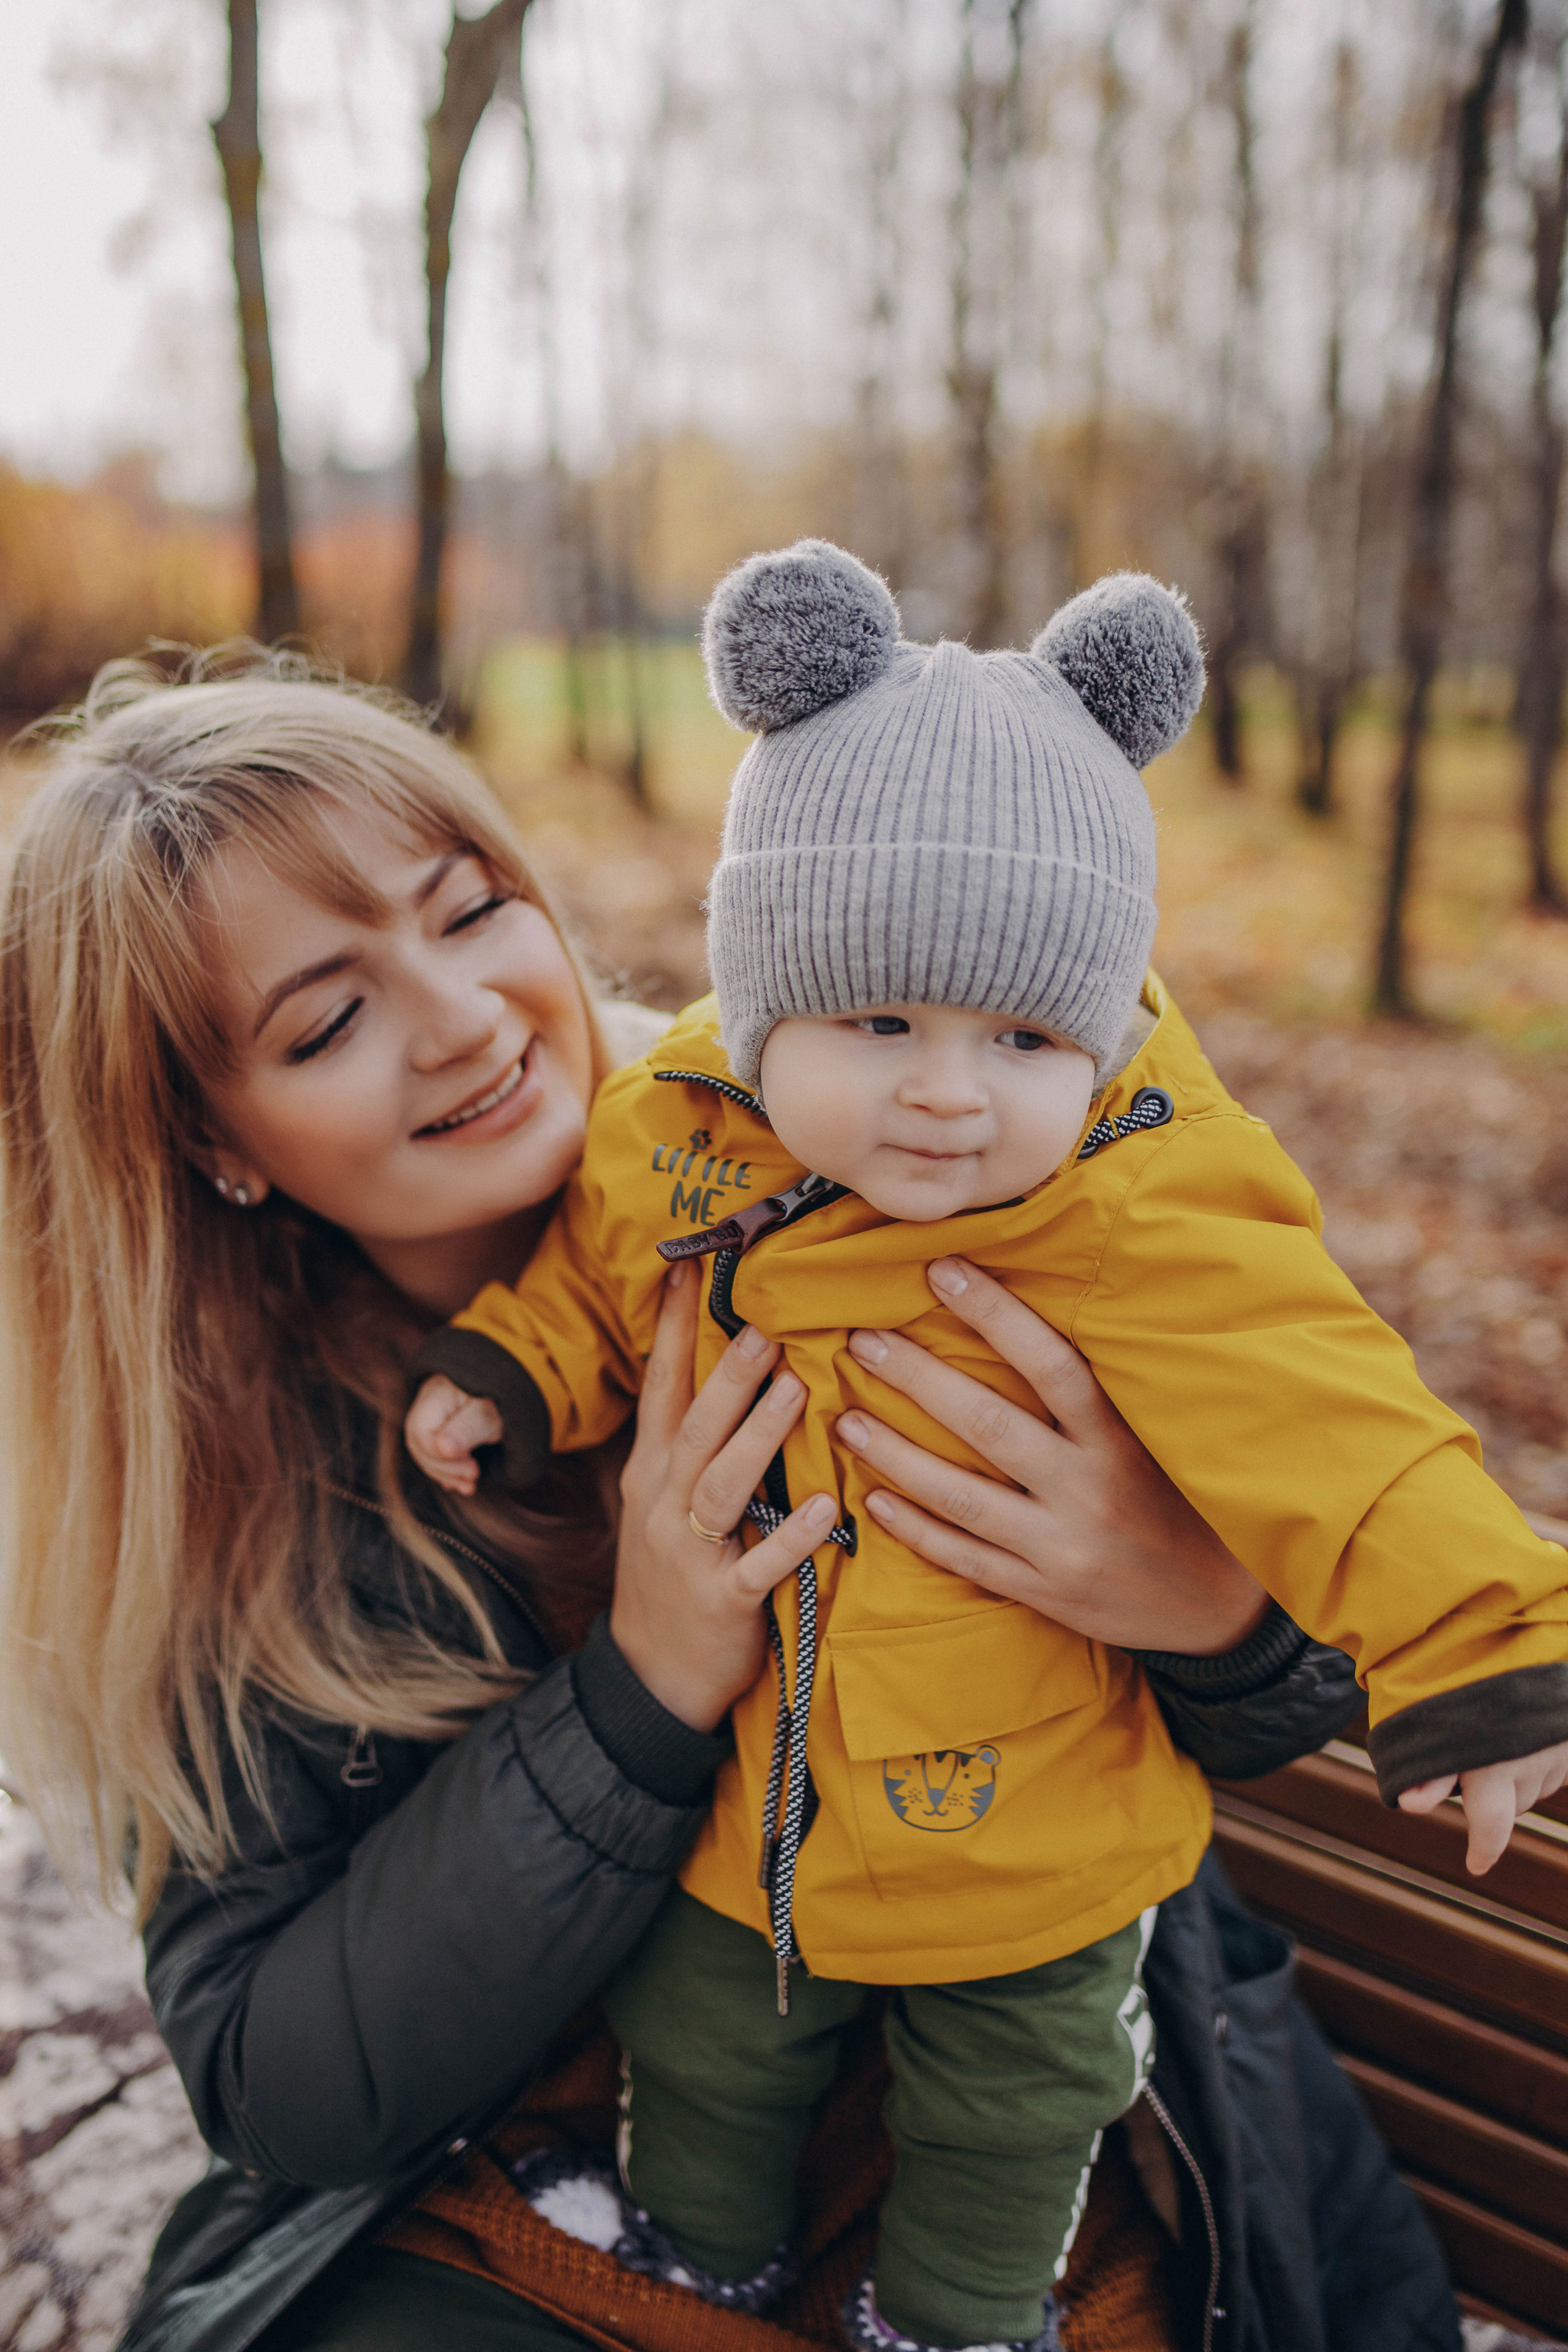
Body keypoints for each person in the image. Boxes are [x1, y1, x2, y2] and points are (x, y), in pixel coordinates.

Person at [0, 648, 1454, 2352]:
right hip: (531, 2179)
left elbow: (1329, 1553)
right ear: (206, 1139)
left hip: (1008, 2110)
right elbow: (282, 2087)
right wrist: (642, 1687)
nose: (464, 1017)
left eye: (472, 913)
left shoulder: (895, 1164)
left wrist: (1205, 1609)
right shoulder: (223, 1506)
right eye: (325, 1020)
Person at [405, 546, 1568, 2352]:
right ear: (768, 995)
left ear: (1094, 1040)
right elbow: (600, 1258)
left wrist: (1486, 1641)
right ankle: (699, 2252)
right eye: (879, 1025)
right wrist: (518, 1364)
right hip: (746, 1807)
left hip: (1035, 1844)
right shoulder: (687, 1123)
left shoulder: (1131, 1200)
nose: (949, 1092)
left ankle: (957, 2320)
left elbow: (1327, 1407)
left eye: (1024, 1035)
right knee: (706, 2046)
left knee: (1014, 2108)